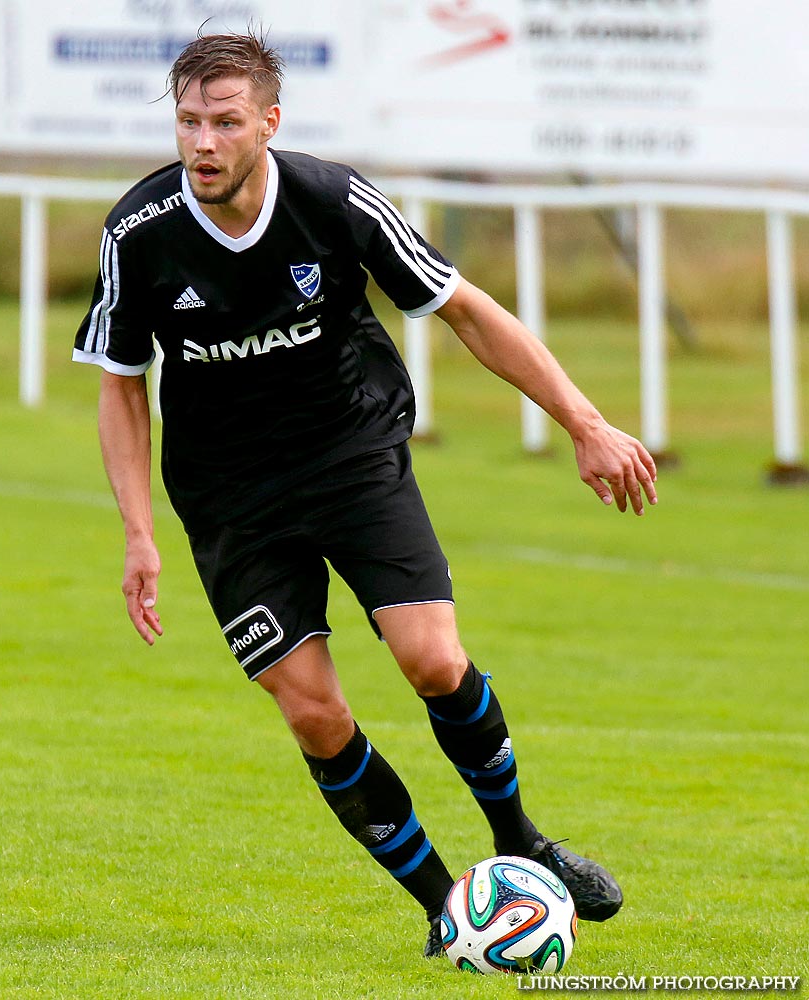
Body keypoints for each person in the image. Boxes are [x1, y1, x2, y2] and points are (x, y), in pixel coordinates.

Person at [72, 29, 658, 958]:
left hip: (350, 455)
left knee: (430, 659)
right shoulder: (138, 232)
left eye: (225, 122)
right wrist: (138, 535)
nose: (203, 143)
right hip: (230, 501)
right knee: (312, 711)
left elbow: (464, 307)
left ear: (268, 121)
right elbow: (117, 380)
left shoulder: (334, 201)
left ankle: (519, 846)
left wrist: (584, 423)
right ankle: (444, 907)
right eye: (188, 122)